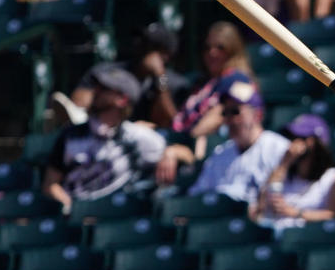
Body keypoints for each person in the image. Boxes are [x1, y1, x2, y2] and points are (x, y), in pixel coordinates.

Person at [41, 66, 191, 213]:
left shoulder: (135, 136)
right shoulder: (69, 135)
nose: (95, 92)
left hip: (115, 215)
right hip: (76, 216)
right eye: (96, 87)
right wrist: (70, 207)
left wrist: (171, 152)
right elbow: (50, 184)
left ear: (122, 99)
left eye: (104, 89)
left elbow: (189, 156)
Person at [57, 22, 191, 131]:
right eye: (141, 41)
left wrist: (159, 77)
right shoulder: (106, 71)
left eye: (149, 46)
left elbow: (171, 122)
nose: (140, 47)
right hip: (99, 131)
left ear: (166, 55)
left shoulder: (175, 84)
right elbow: (77, 106)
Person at [187, 80, 290, 205]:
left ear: (257, 115)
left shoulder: (280, 149)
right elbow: (197, 195)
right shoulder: (220, 153)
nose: (229, 119)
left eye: (235, 111)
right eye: (225, 113)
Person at [169, 21, 258, 158]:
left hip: (212, 150)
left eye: (220, 47)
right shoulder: (202, 81)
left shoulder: (237, 79)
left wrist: (184, 142)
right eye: (207, 47)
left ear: (233, 50)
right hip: (184, 141)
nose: (212, 52)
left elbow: (219, 115)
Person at [252, 114, 335, 232]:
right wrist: (284, 163)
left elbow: (332, 215)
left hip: (309, 238)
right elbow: (262, 206)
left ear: (313, 142)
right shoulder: (283, 172)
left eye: (298, 138)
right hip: (277, 236)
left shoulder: (333, 177)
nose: (291, 144)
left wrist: (294, 213)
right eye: (291, 138)